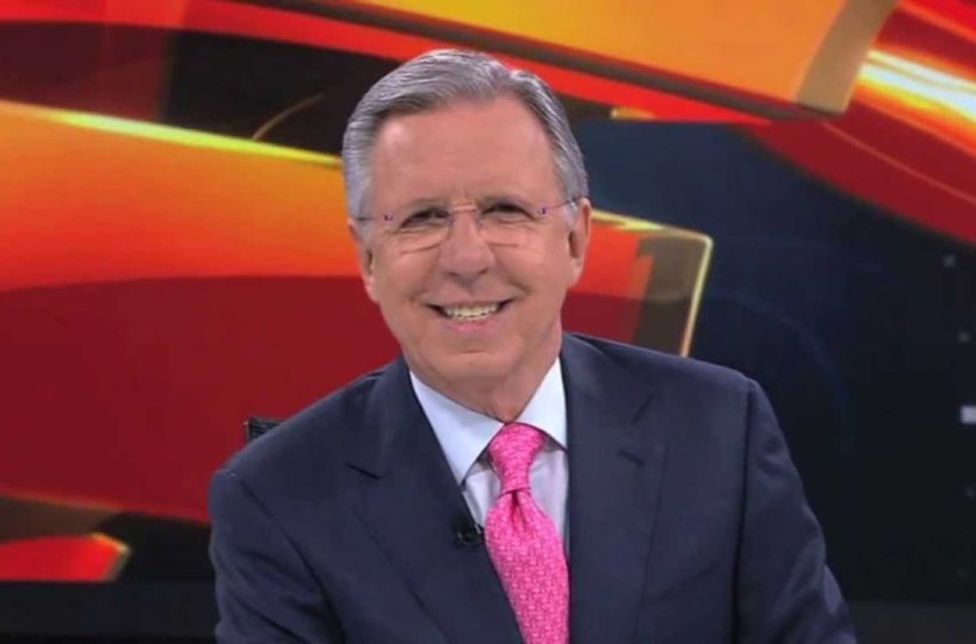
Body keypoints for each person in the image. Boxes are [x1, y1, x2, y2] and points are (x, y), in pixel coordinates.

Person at [208, 49, 855, 643]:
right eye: (422, 218)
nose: (466, 257)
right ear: (370, 260)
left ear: (575, 240)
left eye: (505, 211)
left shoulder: (719, 430)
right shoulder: (278, 497)